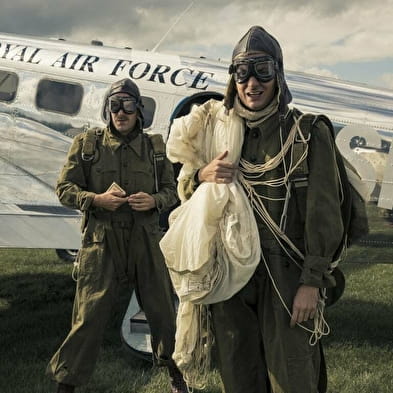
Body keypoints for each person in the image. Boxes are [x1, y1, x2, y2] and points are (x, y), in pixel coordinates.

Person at [162, 26, 345, 393]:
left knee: (293, 377)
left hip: (287, 275)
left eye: (262, 71)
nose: (252, 83)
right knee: (239, 374)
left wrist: (312, 282)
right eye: (242, 72)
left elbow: (325, 215)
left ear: (278, 74)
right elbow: (182, 189)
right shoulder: (216, 128)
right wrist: (202, 174)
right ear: (233, 80)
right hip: (231, 277)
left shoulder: (307, 133)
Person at [46, 78, 188, 393]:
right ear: (107, 109)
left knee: (162, 311)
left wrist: (154, 201)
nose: (120, 112)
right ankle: (66, 383)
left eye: (127, 105)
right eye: (114, 105)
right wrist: (95, 200)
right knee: (89, 314)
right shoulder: (87, 145)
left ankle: (177, 375)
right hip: (102, 241)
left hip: (145, 239)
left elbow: (171, 191)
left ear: (139, 110)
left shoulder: (155, 148)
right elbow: (64, 189)